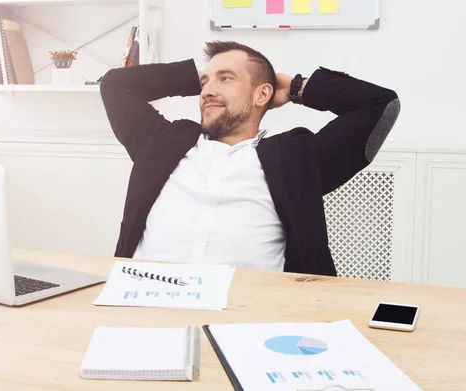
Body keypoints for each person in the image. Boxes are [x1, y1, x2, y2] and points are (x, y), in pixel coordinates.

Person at [99, 40, 400, 276]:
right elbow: (115, 84)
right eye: (205, 84)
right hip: (142, 302)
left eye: (225, 79)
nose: (207, 91)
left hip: (247, 316)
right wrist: (196, 78)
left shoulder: (296, 160)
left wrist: (296, 88)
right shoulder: (161, 143)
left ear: (262, 94)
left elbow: (380, 105)